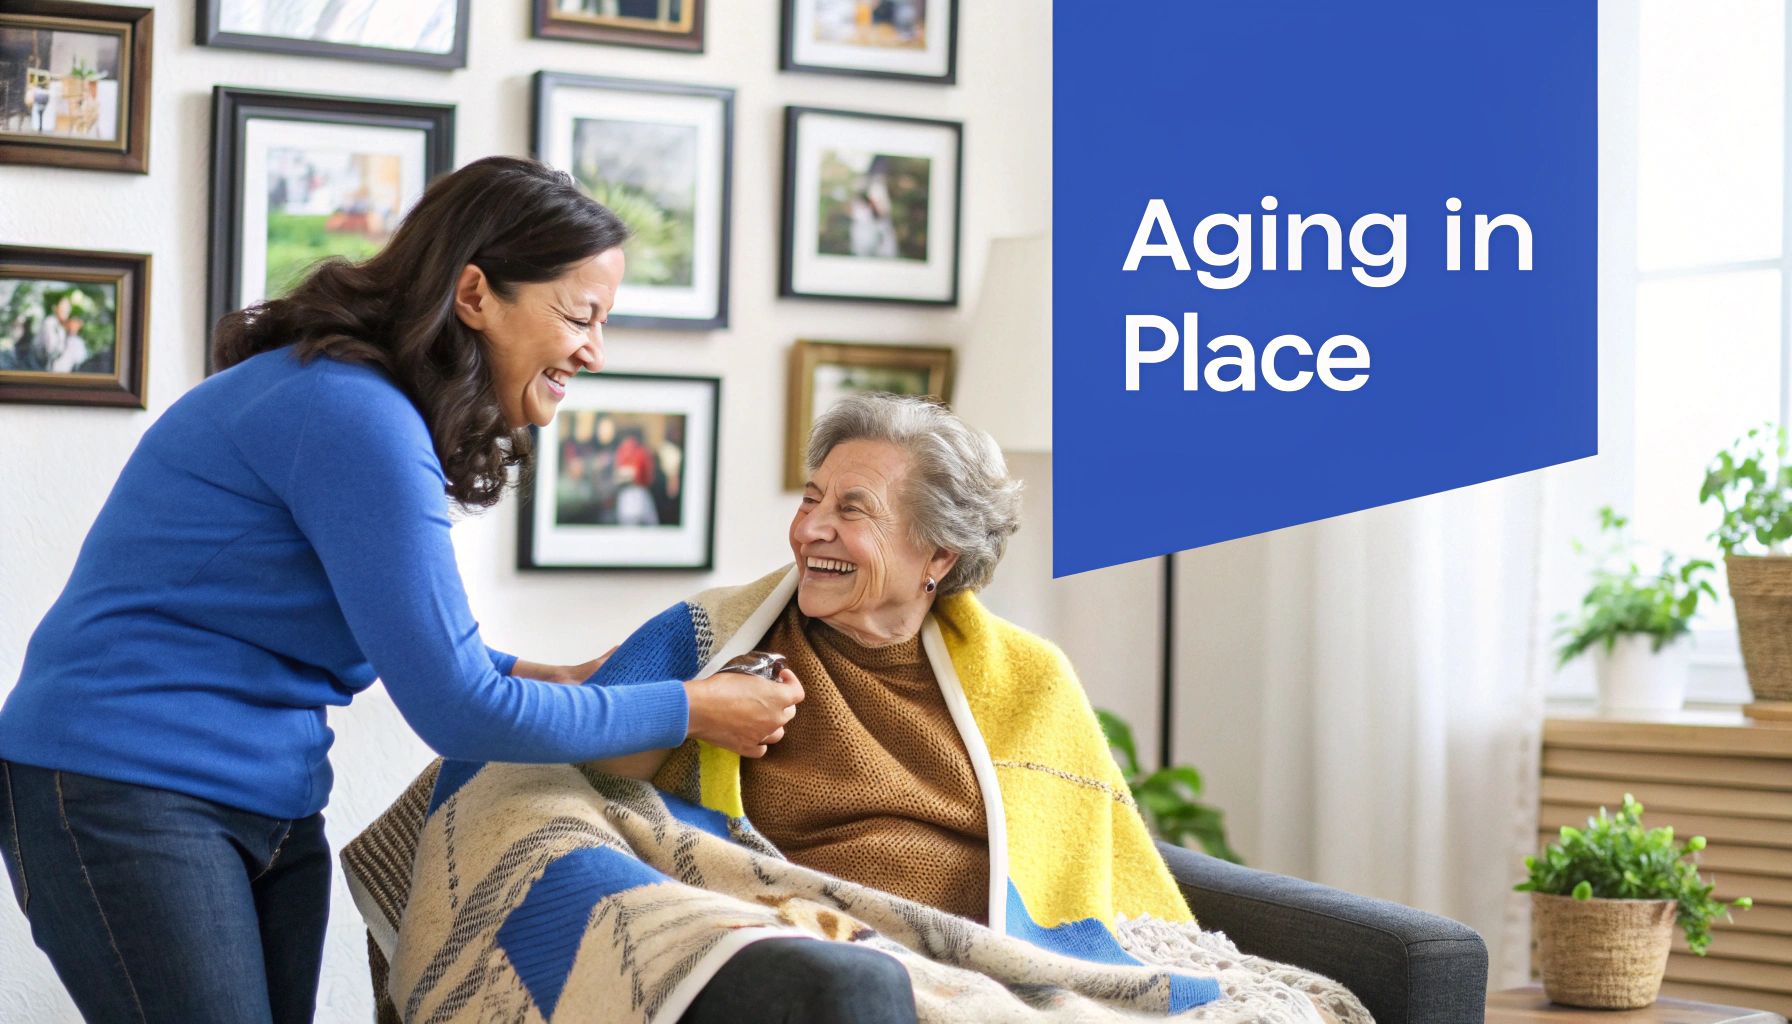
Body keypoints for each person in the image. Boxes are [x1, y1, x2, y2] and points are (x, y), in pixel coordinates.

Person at [0, 156, 803, 1024]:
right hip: (122, 785)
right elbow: (461, 707)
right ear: (474, 295)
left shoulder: (359, 404)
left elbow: (404, 635)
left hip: (266, 798)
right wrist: (691, 707)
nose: (593, 351)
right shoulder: (352, 414)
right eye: (579, 315)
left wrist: (561, 677)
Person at [351, 394, 1359, 1023]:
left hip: (984, 957)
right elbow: (570, 769)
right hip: (814, 952)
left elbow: (1087, 873)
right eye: (810, 496)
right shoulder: (712, 642)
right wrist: (683, 715)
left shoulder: (1027, 680)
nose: (810, 530)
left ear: (937, 556)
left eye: (850, 509)